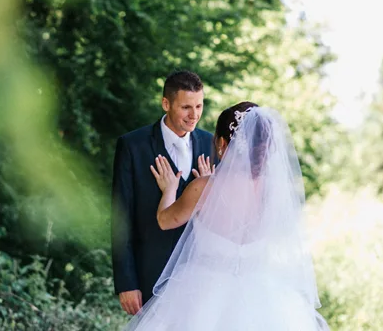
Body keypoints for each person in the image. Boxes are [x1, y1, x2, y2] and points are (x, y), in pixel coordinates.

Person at [123, 102, 330, 330]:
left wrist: (171, 189)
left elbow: (165, 220)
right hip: (264, 295)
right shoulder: (275, 192)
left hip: (202, 294)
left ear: (222, 143)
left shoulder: (203, 188)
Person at [111, 70, 215, 315]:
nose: (194, 115)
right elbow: (121, 217)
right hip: (150, 273)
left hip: (200, 275)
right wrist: (127, 282)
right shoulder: (132, 146)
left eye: (199, 106)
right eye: (186, 107)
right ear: (166, 103)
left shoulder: (211, 145)